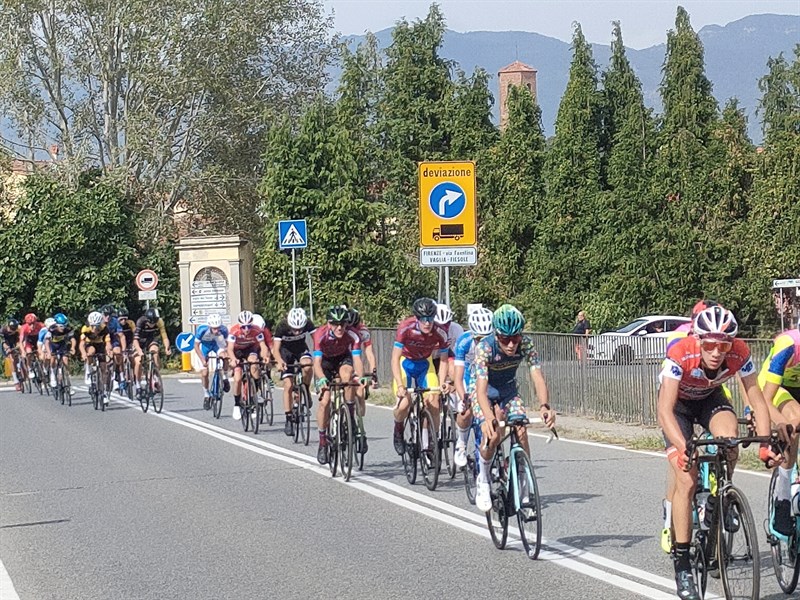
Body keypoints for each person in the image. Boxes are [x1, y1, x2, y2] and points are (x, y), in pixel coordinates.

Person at [658, 306, 782, 600]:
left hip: (710, 398)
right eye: (710, 345)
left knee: (730, 439)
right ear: (699, 340)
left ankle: (720, 497)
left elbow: (757, 398)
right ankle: (684, 564)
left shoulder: (739, 352)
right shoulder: (680, 352)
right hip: (678, 408)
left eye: (723, 345)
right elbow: (664, 411)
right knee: (686, 479)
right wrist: (682, 446)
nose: (716, 352)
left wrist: (765, 444)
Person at [473, 304, 553, 513]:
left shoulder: (526, 344)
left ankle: (523, 483)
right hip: (484, 392)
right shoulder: (485, 348)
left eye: (515, 338)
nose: (511, 345)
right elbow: (480, 391)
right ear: (496, 335)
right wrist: (487, 418)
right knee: (493, 433)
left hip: (508, 391)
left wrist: (544, 406)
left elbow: (537, 375)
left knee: (521, 428)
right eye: (505, 339)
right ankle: (483, 477)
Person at [391, 298, 452, 458]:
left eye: (431, 318)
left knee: (434, 401)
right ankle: (398, 430)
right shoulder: (405, 328)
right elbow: (395, 358)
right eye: (423, 319)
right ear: (417, 318)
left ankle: (432, 440)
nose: (427, 323)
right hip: (406, 364)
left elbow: (444, 360)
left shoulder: (440, 332)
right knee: (404, 403)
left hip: (425, 365)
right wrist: (399, 385)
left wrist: (442, 382)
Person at [760, 318, 800, 537]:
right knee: (795, 417)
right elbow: (766, 399)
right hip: (773, 387)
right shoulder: (788, 345)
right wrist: (779, 423)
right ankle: (782, 500)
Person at [312, 305, 365, 464]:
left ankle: (349, 413)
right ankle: (322, 442)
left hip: (343, 358)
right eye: (335, 324)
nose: (340, 327)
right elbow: (317, 363)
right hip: (325, 363)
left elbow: (357, 359)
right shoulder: (320, 335)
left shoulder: (353, 335)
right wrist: (321, 379)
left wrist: (360, 378)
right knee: (325, 401)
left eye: (343, 323)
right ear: (329, 324)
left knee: (348, 377)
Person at [452, 306, 494, 468]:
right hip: (468, 377)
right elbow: (458, 376)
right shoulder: (463, 342)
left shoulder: (496, 342)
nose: (482, 343)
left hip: (487, 378)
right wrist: (464, 396)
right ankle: (461, 444)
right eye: (478, 339)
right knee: (466, 410)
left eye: (486, 338)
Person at [273, 307, 315, 436]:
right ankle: (288, 419)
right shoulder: (282, 327)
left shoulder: (308, 323)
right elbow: (275, 349)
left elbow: (317, 341)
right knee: (288, 385)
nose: (297, 332)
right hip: (286, 353)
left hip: (301, 349)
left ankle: (306, 388)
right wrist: (279, 361)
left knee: (307, 366)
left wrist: (319, 355)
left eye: (300, 329)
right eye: (294, 329)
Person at [226, 310, 270, 420]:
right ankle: (237, 404)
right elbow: (230, 349)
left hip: (250, 349)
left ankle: (255, 391)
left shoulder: (257, 330)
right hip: (237, 351)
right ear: (240, 326)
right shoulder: (234, 331)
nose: (246, 330)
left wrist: (265, 356)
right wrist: (233, 359)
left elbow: (263, 346)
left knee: (254, 363)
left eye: (249, 326)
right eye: (244, 327)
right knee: (237, 379)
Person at [193, 313, 230, 409]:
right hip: (204, 346)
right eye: (214, 328)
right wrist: (202, 359)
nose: (216, 330)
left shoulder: (224, 330)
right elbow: (196, 346)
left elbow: (227, 345)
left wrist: (225, 354)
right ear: (209, 326)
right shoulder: (201, 330)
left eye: (218, 328)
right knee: (204, 373)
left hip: (217, 343)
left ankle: (225, 377)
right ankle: (206, 394)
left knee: (225, 356)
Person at [133, 308, 171, 397]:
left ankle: (155, 374)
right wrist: (139, 351)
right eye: (151, 323)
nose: (153, 324)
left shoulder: (159, 321)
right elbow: (135, 340)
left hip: (150, 340)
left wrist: (166, 348)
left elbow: (164, 336)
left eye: (154, 323)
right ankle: (138, 386)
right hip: (139, 341)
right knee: (138, 361)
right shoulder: (140, 321)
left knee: (155, 351)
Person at [79, 311, 112, 403]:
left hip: (100, 345)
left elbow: (108, 343)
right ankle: (88, 372)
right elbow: (81, 344)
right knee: (91, 351)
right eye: (93, 326)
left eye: (97, 326)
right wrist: (83, 353)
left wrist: (109, 351)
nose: (95, 329)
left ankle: (104, 392)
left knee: (103, 368)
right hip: (90, 344)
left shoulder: (104, 329)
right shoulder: (85, 329)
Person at [44, 313, 76, 392]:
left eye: (64, 326)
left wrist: (73, 347)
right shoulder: (51, 330)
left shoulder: (68, 329)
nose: (63, 328)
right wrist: (48, 352)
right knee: (53, 358)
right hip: (53, 345)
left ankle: (67, 380)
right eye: (61, 326)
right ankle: (52, 374)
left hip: (62, 345)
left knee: (65, 360)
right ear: (56, 325)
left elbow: (72, 339)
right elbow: (47, 342)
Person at [18, 313, 44, 380]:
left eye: (33, 323)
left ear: (36, 322)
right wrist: (23, 351)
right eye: (30, 324)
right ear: (27, 323)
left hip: (38, 340)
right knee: (29, 353)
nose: (32, 326)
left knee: (41, 354)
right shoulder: (24, 328)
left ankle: (41, 369)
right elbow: (21, 342)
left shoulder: (41, 325)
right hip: (28, 341)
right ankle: (30, 369)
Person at [1, 319, 22, 391]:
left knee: (20, 353)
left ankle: (20, 367)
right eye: (11, 329)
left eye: (14, 329)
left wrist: (19, 345)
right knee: (12, 360)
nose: (12, 331)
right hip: (7, 344)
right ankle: (16, 381)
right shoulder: (3, 330)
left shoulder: (19, 328)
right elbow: (4, 343)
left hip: (16, 341)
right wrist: (7, 348)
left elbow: (21, 339)